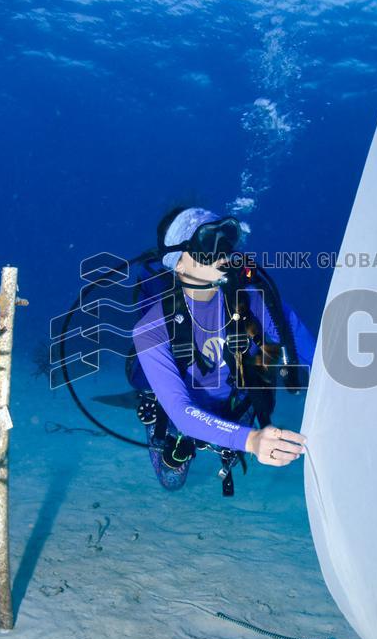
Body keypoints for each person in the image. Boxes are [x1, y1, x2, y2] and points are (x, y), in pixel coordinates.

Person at [131, 206, 315, 492]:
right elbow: (182, 411)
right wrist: (252, 440)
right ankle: (153, 407)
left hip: (234, 404)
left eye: (227, 242)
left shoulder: (256, 301)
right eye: (207, 245)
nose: (223, 255)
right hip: (181, 415)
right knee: (172, 480)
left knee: (232, 447)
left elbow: (317, 359)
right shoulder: (151, 329)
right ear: (177, 263)